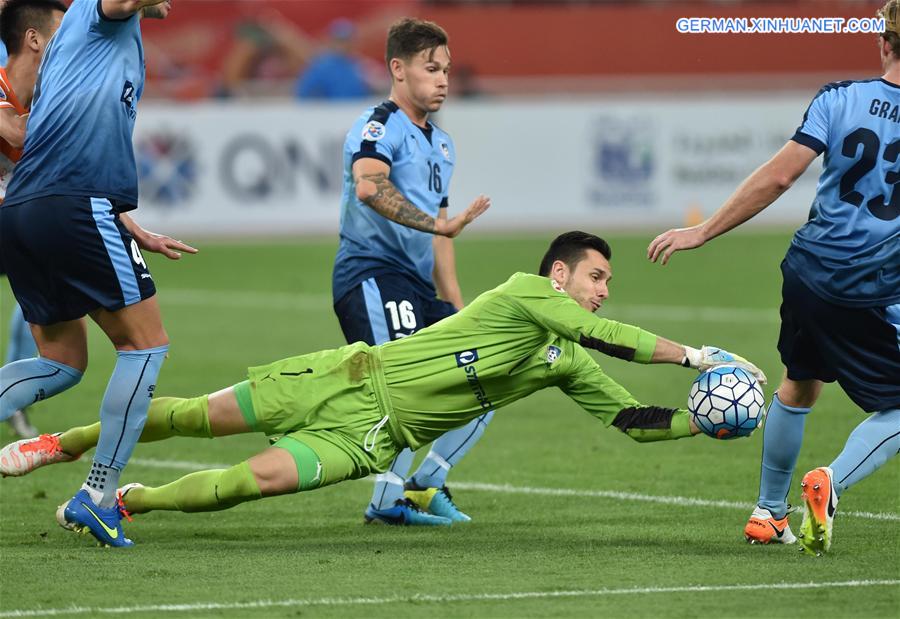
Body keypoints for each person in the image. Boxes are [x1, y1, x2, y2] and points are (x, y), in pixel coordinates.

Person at [0, 231, 767, 543]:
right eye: (597, 275)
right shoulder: (524, 292)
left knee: (245, 483)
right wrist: (697, 355)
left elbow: (632, 417)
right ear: (560, 274)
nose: (603, 290)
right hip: (345, 377)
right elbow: (614, 336)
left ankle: (120, 502)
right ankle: (56, 443)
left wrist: (704, 423)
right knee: (197, 418)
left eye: (608, 281)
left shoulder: (563, 357)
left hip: (371, 437)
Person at [647, 1, 900, 556]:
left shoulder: (839, 97)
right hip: (868, 286)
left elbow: (780, 176)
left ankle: (768, 512)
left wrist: (704, 230)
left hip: (807, 270)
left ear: (883, 43)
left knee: (800, 382)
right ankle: (831, 483)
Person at [0, 0, 197, 548]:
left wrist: (128, 222)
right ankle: (98, 494)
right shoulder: (99, 14)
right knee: (146, 347)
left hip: (26, 208)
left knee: (62, 361)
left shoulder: (77, 44)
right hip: (71, 204)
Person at [333, 17, 493, 526]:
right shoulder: (378, 126)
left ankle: (427, 483)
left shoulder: (442, 144)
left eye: (445, 69)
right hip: (371, 276)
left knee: (483, 380)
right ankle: (385, 503)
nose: (443, 79)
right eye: (431, 68)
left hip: (418, 285)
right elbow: (369, 187)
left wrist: (457, 305)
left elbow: (440, 233)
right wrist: (438, 227)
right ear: (398, 69)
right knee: (406, 388)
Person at [0, 0, 65, 440]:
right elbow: (16, 134)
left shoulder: (44, 94)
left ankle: (14, 396)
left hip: (17, 219)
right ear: (33, 38)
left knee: (41, 304)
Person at [294, 18, 374, 100]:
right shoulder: (320, 66)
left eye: (348, 41)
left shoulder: (360, 65)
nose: (344, 45)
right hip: (329, 110)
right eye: (340, 41)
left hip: (355, 109)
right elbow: (305, 93)